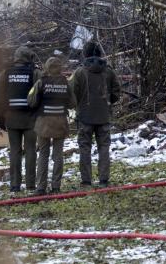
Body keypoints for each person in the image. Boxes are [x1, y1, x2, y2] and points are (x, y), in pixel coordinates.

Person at [70, 41, 120, 188]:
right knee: (104, 147)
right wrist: (108, 102)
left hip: (85, 116)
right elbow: (116, 91)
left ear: (85, 54)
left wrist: (79, 105)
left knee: (85, 148)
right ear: (100, 53)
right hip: (104, 116)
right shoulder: (108, 71)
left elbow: (73, 94)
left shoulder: (79, 72)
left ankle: (86, 180)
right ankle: (104, 179)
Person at [0, 46, 42, 193]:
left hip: (12, 118)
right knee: (30, 151)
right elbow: (40, 94)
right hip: (30, 119)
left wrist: (1, 118)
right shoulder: (34, 73)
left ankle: (15, 185)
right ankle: (30, 184)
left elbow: (0, 97)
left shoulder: (6, 73)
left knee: (15, 151)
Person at [28, 57, 75, 195]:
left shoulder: (41, 82)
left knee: (43, 154)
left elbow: (31, 100)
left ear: (47, 67)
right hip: (60, 123)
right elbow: (73, 103)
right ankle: (56, 186)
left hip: (43, 123)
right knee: (58, 155)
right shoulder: (65, 83)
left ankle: (41, 187)